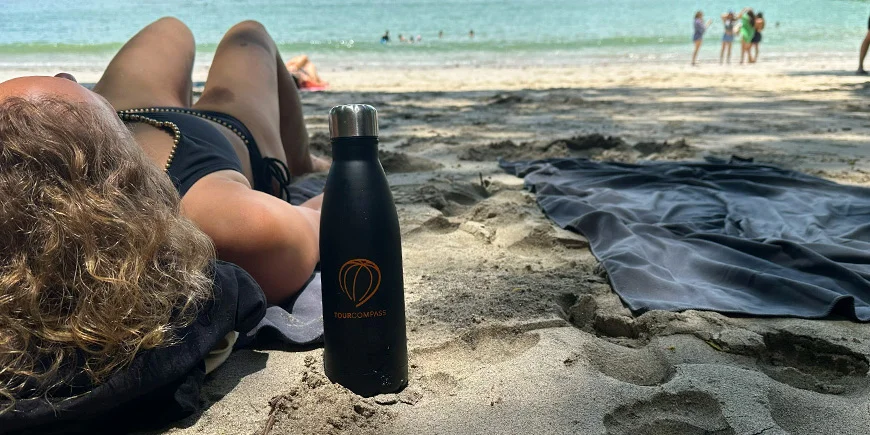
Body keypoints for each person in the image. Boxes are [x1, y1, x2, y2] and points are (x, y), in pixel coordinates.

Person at [0, 17, 328, 429]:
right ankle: (304, 161)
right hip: (220, 136)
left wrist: (92, 110)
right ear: (109, 168)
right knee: (249, 35)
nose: (66, 74)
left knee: (171, 27)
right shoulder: (236, 226)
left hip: (125, 112)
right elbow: (328, 210)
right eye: (65, 86)